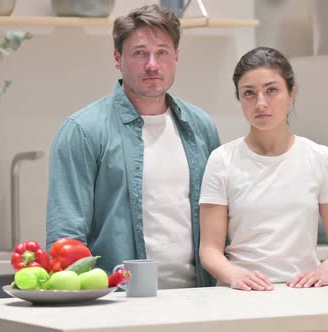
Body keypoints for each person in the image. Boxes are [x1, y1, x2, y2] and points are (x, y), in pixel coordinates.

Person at [46, 5, 220, 289]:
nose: (152, 64)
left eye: (162, 52)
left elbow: (219, 221)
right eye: (140, 53)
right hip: (116, 301)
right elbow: (65, 239)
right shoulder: (82, 131)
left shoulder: (201, 127)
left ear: (176, 57)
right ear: (118, 58)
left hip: (198, 297)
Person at [199, 47, 328, 291]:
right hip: (241, 296)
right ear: (239, 98)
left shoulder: (319, 157)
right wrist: (234, 275)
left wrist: (325, 270)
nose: (260, 103)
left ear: (291, 93)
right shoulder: (222, 160)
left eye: (272, 90)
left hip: (304, 294)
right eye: (249, 93)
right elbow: (209, 249)